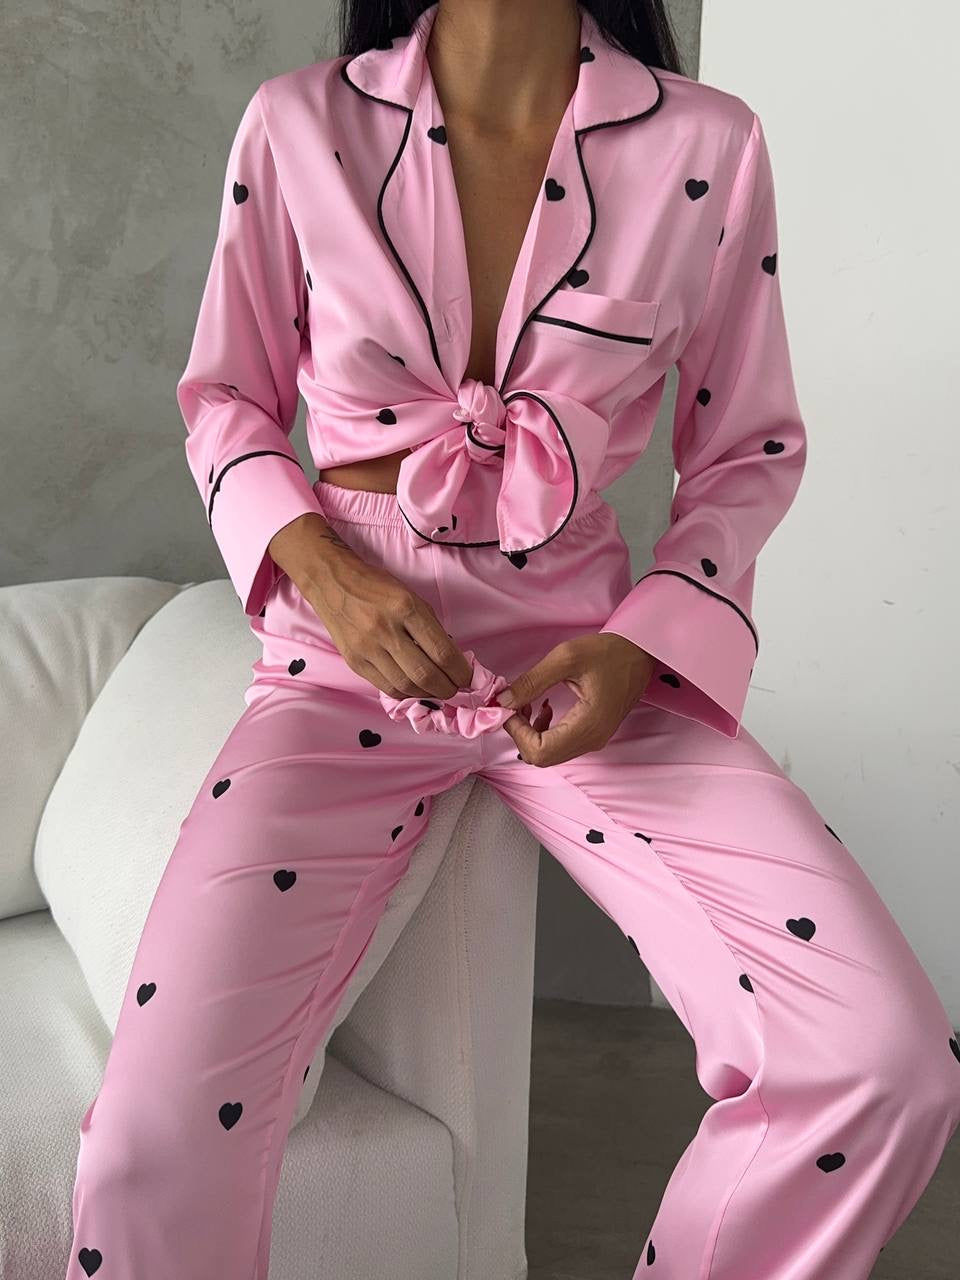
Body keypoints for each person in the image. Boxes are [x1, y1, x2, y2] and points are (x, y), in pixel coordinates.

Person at [64, 2, 960, 1277]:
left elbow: (749, 448)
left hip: (588, 660)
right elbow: (225, 400)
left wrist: (641, 647)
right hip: (343, 656)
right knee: (154, 1128)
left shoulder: (709, 144)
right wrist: (332, 578)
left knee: (882, 1056)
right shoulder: (300, 124)